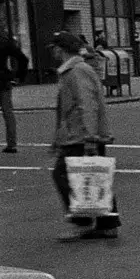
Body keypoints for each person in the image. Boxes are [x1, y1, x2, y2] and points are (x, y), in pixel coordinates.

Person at [47, 30, 120, 237]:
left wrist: (90, 138)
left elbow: (87, 105)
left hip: (81, 134)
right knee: (95, 176)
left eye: (54, 49)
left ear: (60, 50)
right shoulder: (75, 70)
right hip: (79, 134)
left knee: (64, 174)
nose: (52, 53)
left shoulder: (77, 71)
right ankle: (107, 224)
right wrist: (58, 139)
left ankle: (84, 221)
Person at [0, 25, 28, 153]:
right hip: (3, 79)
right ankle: (12, 144)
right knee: (8, 113)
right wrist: (19, 76)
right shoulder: (4, 41)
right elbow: (23, 58)